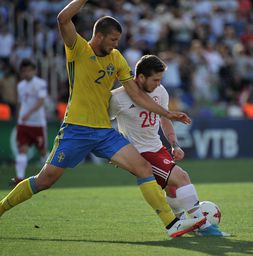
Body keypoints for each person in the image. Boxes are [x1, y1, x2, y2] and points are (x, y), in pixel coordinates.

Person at [0, 0, 206, 238]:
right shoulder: (77, 49)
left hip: (104, 132)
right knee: (45, 180)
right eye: (113, 40)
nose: (116, 44)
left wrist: (167, 113)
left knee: (143, 167)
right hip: (75, 130)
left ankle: (172, 224)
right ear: (98, 36)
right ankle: (3, 207)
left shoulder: (116, 58)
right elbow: (62, 19)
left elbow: (136, 94)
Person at [109, 54, 230, 237]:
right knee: (182, 177)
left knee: (172, 189)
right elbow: (101, 124)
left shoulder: (160, 92)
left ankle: (181, 221)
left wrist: (174, 144)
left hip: (157, 148)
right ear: (141, 77)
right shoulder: (118, 98)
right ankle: (204, 225)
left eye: (161, 79)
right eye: (155, 80)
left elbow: (164, 119)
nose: (159, 84)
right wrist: (117, 153)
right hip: (141, 153)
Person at [10, 58, 48, 185]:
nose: (26, 74)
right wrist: (20, 116)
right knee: (22, 149)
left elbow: (41, 101)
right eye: (24, 71)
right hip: (23, 124)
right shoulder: (20, 86)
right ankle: (19, 178)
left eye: (28, 71)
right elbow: (21, 103)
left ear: (34, 71)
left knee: (43, 152)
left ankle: (49, 175)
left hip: (37, 124)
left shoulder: (40, 84)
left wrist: (28, 113)